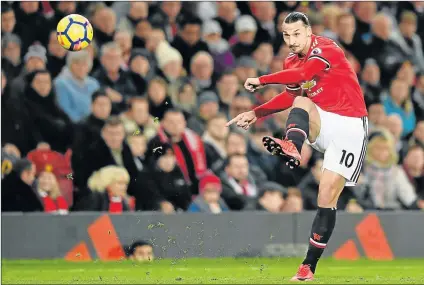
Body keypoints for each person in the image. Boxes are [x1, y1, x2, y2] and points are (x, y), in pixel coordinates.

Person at [226, 12, 368, 281]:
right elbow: (291, 95)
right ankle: (292, 144)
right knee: (301, 102)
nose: (291, 40)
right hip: (322, 122)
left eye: (296, 34)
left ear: (308, 31)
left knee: (325, 198)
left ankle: (308, 267)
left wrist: (263, 79)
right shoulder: (290, 60)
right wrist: (256, 113)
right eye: (286, 35)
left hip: (350, 127)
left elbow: (305, 73)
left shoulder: (326, 48)